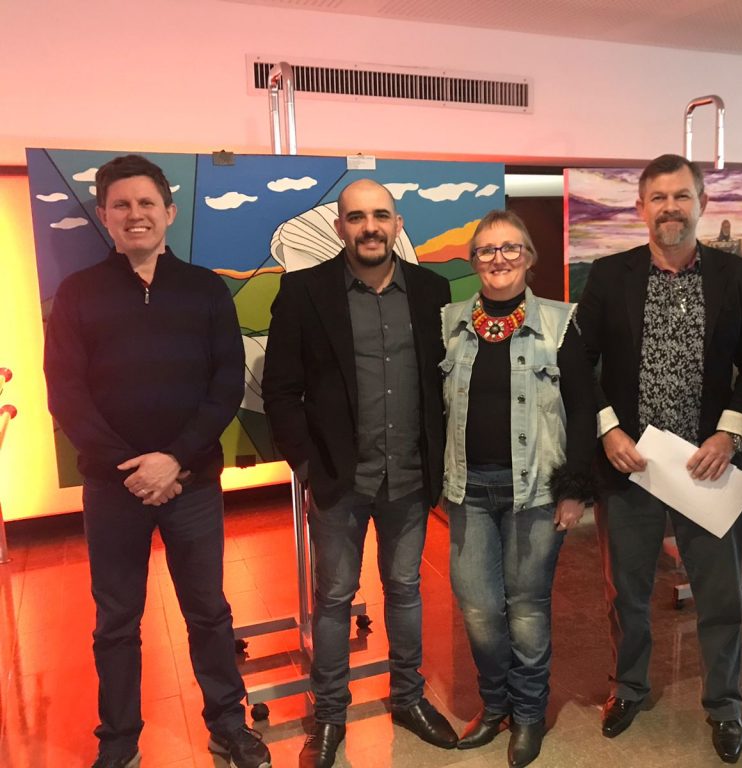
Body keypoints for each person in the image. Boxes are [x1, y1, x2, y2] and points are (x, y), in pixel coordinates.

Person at [43, 154, 271, 768]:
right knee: (116, 620)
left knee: (209, 612)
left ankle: (228, 724)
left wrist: (172, 460)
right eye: (121, 204)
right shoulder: (78, 293)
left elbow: (225, 383)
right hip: (113, 489)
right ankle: (119, 742)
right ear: (104, 215)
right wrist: (133, 469)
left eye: (147, 202)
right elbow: (65, 391)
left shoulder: (205, 289)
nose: (135, 214)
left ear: (169, 212)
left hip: (191, 483)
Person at [261, 178, 456, 768]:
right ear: (340, 226)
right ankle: (329, 716)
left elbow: (444, 382)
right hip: (339, 481)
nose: (369, 227)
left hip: (410, 478)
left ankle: (408, 698)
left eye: (381, 216)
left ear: (397, 225)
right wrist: (306, 465)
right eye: (356, 217)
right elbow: (280, 390)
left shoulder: (432, 290)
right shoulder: (304, 292)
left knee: (405, 590)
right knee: (334, 598)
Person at [577, 153, 742, 764]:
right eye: (658, 198)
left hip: (709, 466)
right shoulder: (609, 275)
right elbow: (578, 363)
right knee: (626, 592)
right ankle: (629, 687)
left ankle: (725, 704)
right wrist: (607, 430)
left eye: (682, 196)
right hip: (632, 465)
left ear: (702, 203)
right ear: (641, 208)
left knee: (721, 596)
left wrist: (730, 435)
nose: (670, 208)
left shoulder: (737, 277)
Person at [440, 210, 595, 768]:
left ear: (529, 258)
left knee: (526, 608)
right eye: (486, 250)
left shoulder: (559, 322)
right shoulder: (450, 322)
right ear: (473, 261)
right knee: (479, 608)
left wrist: (576, 488)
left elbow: (583, 408)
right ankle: (495, 705)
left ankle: (528, 714)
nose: (498, 258)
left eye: (510, 248)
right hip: (469, 490)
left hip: (536, 491)